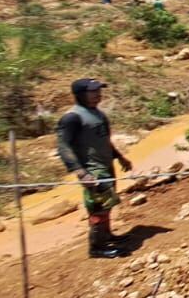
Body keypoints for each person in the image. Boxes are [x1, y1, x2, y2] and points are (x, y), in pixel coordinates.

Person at [56, 79, 135, 259]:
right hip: (92, 170)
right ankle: (97, 248)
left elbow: (104, 140)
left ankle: (106, 236)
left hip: (106, 166)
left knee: (107, 204)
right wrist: (81, 172)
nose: (98, 94)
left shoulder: (97, 113)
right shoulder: (72, 118)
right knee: (98, 207)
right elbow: (63, 146)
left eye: (99, 90)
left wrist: (120, 157)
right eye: (93, 91)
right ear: (80, 94)